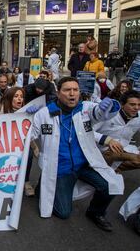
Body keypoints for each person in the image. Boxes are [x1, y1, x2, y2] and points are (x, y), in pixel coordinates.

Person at [31, 77, 123, 231]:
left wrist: (110, 105)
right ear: (58, 93)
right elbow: (29, 135)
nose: (72, 94)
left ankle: (96, 213)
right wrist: (26, 118)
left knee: (111, 185)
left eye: (75, 90)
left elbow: (99, 114)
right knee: (63, 213)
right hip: (61, 169)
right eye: (67, 90)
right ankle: (43, 186)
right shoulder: (45, 113)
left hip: (84, 164)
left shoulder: (85, 109)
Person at [94, 90, 140, 172]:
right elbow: (87, 131)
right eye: (132, 104)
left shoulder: (138, 117)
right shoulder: (109, 113)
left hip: (123, 149)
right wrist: (108, 140)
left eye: (139, 105)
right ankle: (107, 171)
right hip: (101, 150)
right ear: (122, 104)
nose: (136, 108)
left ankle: (111, 171)